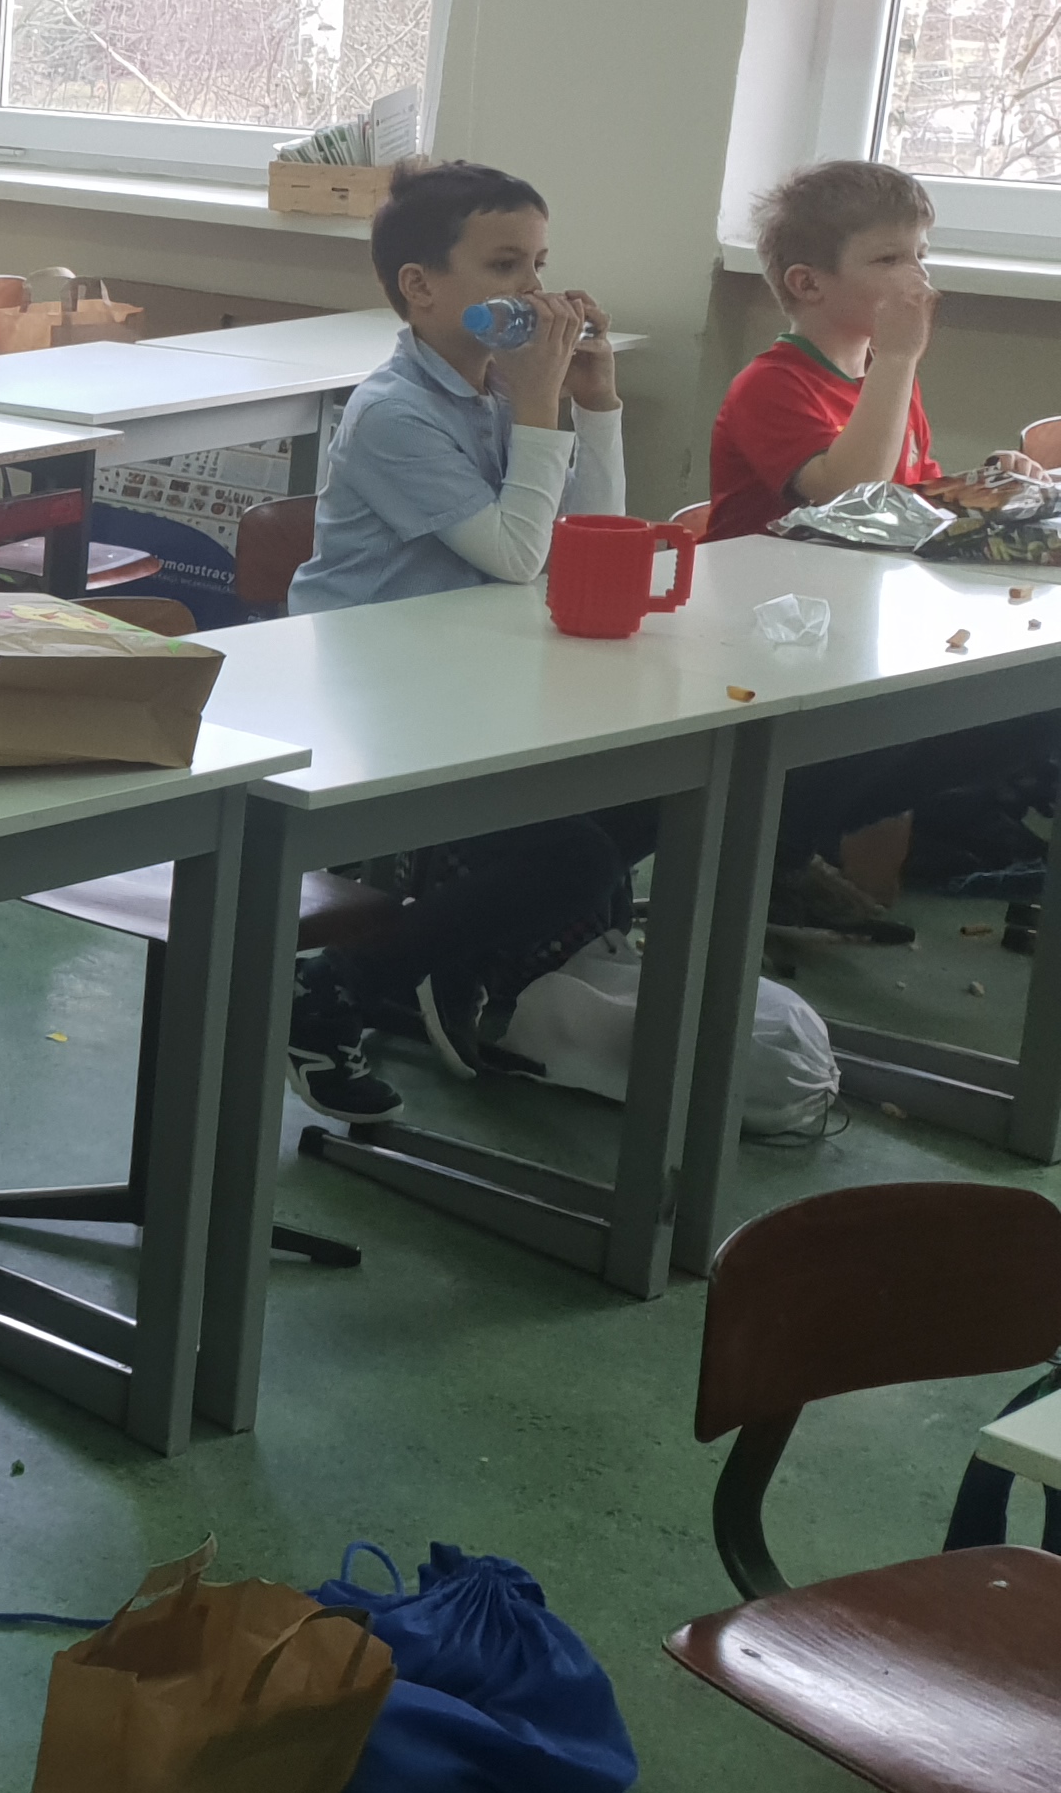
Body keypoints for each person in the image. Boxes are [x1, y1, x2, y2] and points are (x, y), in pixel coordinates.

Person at [281, 161, 636, 1119]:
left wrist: (593, 401)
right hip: (372, 693)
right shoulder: (394, 412)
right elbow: (521, 558)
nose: (536, 292)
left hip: (468, 674)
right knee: (576, 859)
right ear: (422, 286)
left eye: (540, 265)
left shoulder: (495, 392)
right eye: (506, 266)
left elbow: (588, 537)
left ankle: (449, 953)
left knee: (642, 801)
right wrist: (538, 402)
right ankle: (333, 992)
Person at [714, 161, 1061, 907]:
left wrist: (987, 482)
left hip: (860, 623)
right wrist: (900, 358)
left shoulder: (882, 377)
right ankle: (770, 855)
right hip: (771, 641)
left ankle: (793, 852)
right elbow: (853, 499)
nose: (917, 278)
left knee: (1032, 713)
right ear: (809, 284)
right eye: (889, 259)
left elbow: (909, 499)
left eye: (921, 255)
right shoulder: (773, 383)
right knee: (914, 732)